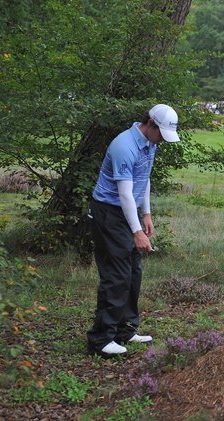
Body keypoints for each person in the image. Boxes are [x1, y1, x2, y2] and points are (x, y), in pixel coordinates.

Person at [86, 104, 180, 357]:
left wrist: (146, 213)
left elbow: (144, 178)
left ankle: (125, 330)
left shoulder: (150, 143)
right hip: (109, 213)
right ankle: (100, 339)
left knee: (133, 271)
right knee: (116, 275)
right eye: (160, 133)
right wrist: (136, 231)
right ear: (150, 123)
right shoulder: (123, 146)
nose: (162, 140)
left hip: (127, 211)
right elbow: (125, 194)